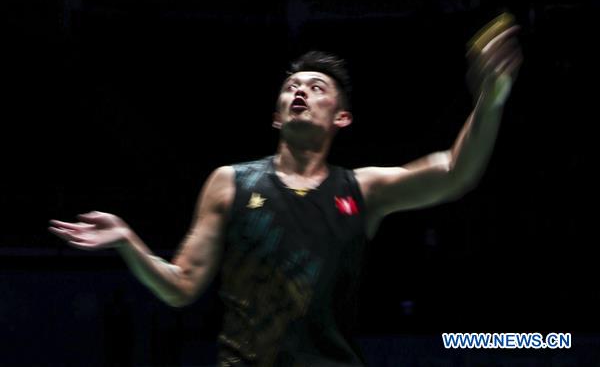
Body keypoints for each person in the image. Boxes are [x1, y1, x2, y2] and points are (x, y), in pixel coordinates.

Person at [49, 25, 522, 366]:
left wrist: (491, 99)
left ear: (341, 117)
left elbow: (455, 171)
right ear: (277, 116)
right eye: (292, 87)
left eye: (317, 88)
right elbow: (182, 285)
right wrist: (128, 241)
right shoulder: (230, 182)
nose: (300, 92)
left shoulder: (362, 189)